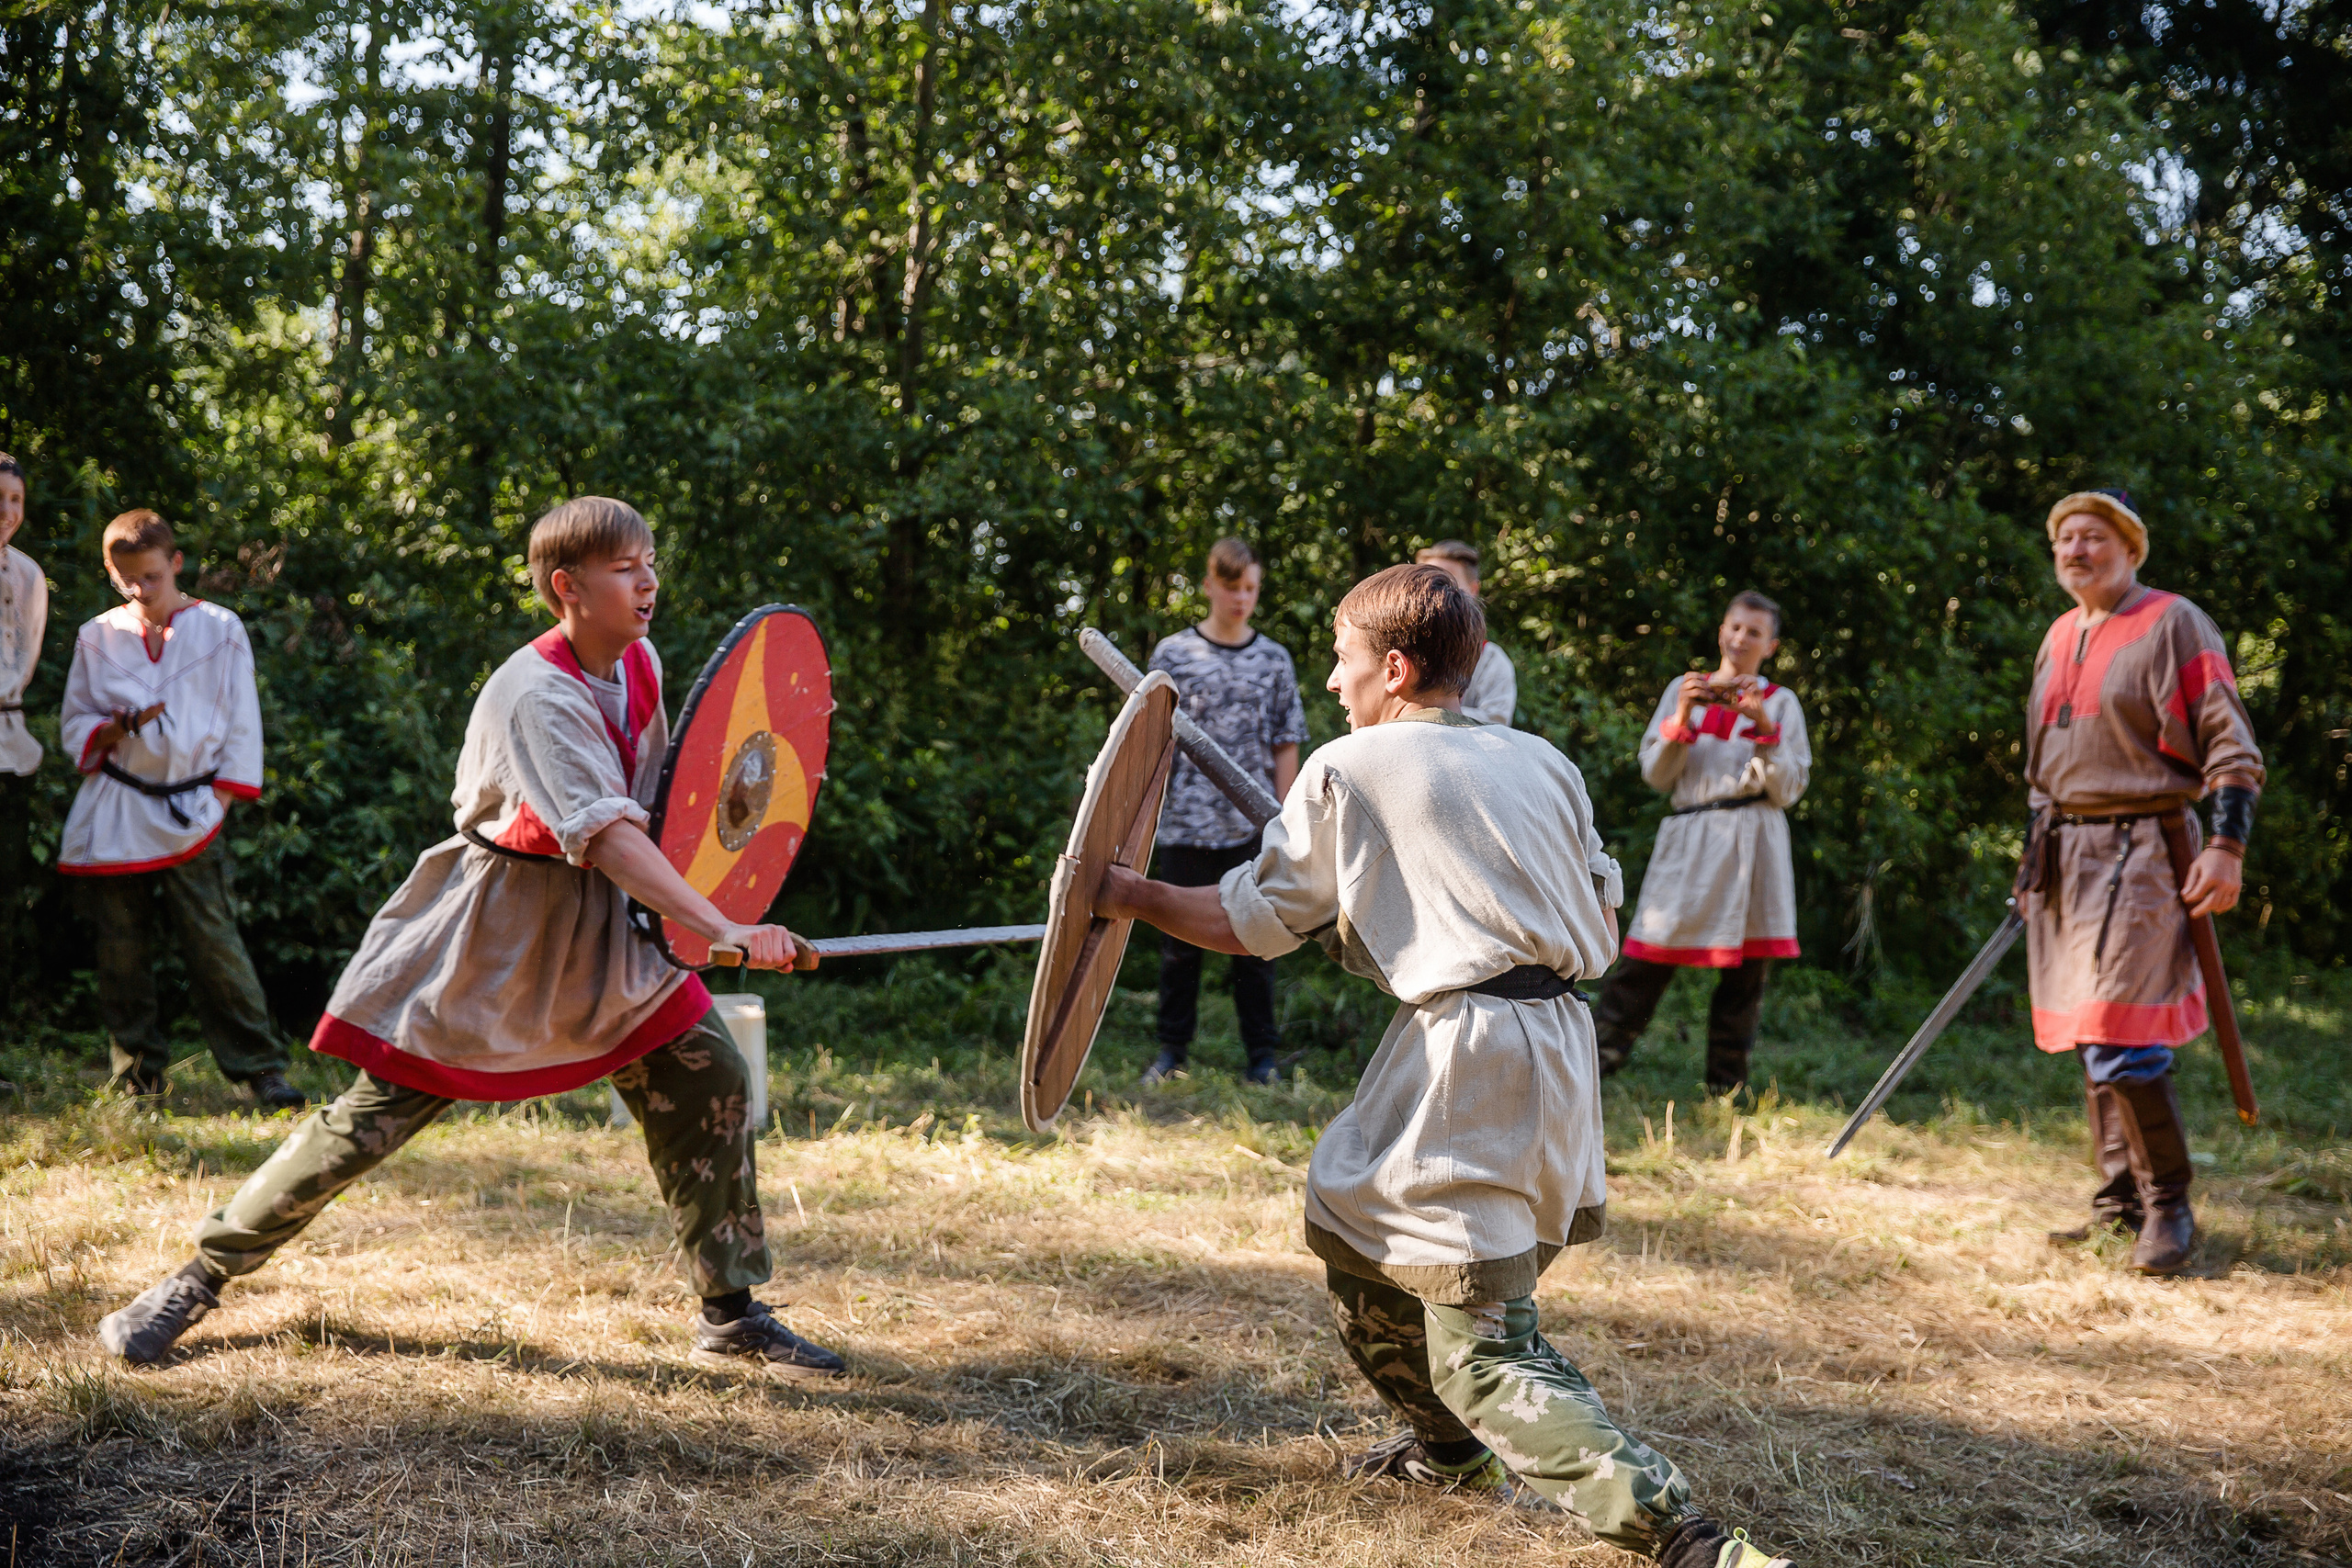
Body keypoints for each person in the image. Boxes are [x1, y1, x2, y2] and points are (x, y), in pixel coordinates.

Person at [1099, 564, 1792, 1568]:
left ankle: (1693, 1544)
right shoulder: (1542, 761)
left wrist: (1131, 895)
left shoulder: (1347, 766)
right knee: (1356, 1228)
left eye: (1341, 662)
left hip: (1474, 1064)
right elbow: (1588, 923)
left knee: (1487, 1355)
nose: (1334, 686)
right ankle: (1448, 1455)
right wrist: (1386, 927)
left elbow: (1246, 922)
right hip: (1553, 1046)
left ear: (1390, 664)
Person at [96, 497, 846, 1379]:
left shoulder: (637, 660)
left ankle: (729, 1310)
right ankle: (198, 1275)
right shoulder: (537, 693)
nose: (648, 581)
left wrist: (720, 903)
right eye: (624, 567)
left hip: (611, 931)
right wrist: (720, 926)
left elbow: (666, 814)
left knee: (708, 1070)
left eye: (650, 561)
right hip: (501, 937)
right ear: (567, 587)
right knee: (368, 1122)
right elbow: (606, 834)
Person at [2023, 490, 2261, 1277]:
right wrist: (2033, 862)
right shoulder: (2060, 634)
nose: (2076, 549)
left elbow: (2231, 743)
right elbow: (2042, 771)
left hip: (2148, 850)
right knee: (2090, 1032)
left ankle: (2169, 1203)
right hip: (2068, 855)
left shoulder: (2174, 622)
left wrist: (2224, 845)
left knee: (2121, 1035)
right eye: (2065, 538)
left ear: (2131, 549)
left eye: (2094, 536)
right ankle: (2118, 1198)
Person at [58, 510, 301, 1107]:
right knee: (121, 947)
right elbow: (75, 727)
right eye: (128, 579)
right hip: (117, 805)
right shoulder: (97, 635)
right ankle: (136, 1073)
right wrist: (115, 728)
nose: (141, 589)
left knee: (214, 942)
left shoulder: (221, 628)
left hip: (193, 805)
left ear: (175, 564)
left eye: (151, 576)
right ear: (112, 574)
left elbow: (244, 724)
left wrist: (218, 801)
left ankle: (260, 1067)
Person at [1591, 592, 1809, 1094]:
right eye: (1735, 627)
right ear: (1721, 631)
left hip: (1754, 844)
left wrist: (1763, 727)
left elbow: (1789, 789)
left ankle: (1727, 1087)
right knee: (1647, 956)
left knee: (1746, 975)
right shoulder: (1681, 690)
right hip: (1692, 836)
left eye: (1754, 632)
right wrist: (1683, 716)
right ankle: (1595, 1061)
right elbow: (1656, 774)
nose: (1740, 639)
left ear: (1770, 645)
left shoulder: (1781, 703)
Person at [1141, 536, 1306, 1086]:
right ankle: (1170, 1055)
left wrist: (1282, 823)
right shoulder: (1172, 655)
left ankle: (1262, 1061)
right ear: (1210, 585)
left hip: (1251, 828)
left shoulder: (1273, 659)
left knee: (1257, 945)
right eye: (1232, 587)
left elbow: (1286, 742)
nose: (1242, 599)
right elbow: (1149, 743)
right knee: (1178, 946)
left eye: (1251, 589)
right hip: (1185, 824)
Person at [0, 454, 44, 1036]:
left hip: (12, 750)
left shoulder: (29, 575)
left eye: (15, 501)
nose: (6, 512)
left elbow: (24, 659)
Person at [1414, 539, 1515, 725]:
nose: (1434, 592)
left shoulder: (1491, 660)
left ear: (1473, 590)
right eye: (1427, 582)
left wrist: (1425, 712)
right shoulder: (1401, 651)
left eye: (1446, 582)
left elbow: (1496, 722)